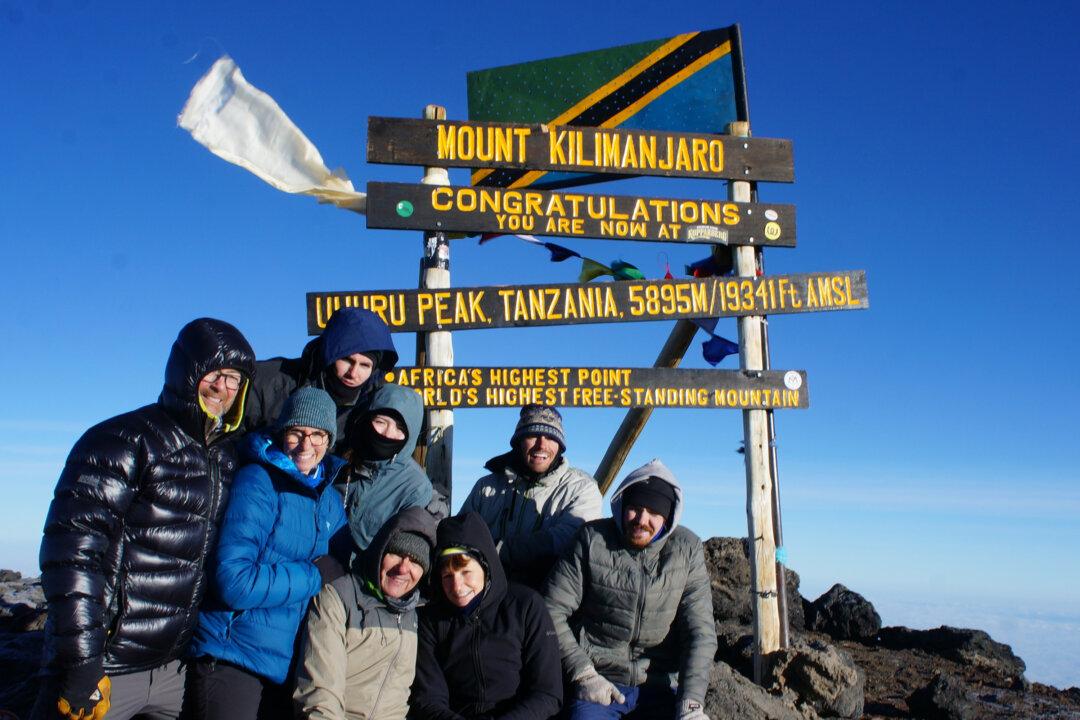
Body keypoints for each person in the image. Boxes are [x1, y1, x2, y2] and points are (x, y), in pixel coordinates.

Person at [33, 318, 255, 720]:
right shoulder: (122, 440)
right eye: (214, 374)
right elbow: (71, 554)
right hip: (108, 664)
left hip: (174, 668)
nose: (223, 387)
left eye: (234, 379)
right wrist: (82, 663)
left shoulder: (225, 458)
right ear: (186, 372)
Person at [184, 387, 349, 720]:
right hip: (234, 656)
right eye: (296, 433)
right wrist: (313, 575)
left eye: (317, 435)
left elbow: (341, 570)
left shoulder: (330, 500)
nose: (306, 445)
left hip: (290, 665)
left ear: (329, 439)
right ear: (282, 433)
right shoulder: (259, 480)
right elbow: (234, 581)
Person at [543, 459, 717, 720]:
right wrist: (583, 673)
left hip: (660, 684)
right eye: (634, 508)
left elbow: (700, 632)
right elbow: (551, 609)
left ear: (668, 516)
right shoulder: (592, 539)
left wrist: (691, 702)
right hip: (600, 681)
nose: (642, 519)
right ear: (622, 505)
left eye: (654, 512)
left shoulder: (687, 549)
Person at [410, 512, 562, 720]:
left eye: (466, 572)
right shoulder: (431, 621)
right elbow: (429, 698)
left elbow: (547, 693)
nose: (457, 586)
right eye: (447, 576)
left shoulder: (526, 606)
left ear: (486, 566)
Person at [293, 506, 437, 720]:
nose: (403, 568)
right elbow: (320, 694)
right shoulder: (340, 597)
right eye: (396, 553)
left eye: (415, 561)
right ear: (380, 550)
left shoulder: (418, 613)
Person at [459, 404, 601, 588]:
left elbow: (570, 538)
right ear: (519, 441)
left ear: (560, 445)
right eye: (533, 435)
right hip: (485, 591)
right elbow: (461, 534)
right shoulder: (486, 487)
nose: (542, 445)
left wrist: (502, 549)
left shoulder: (582, 488)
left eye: (551, 437)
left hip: (549, 595)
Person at [246, 307, 398, 455]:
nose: (353, 373)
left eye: (365, 365)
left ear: (374, 370)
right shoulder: (270, 380)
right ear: (329, 354)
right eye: (347, 360)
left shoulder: (370, 408)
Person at [336, 382, 445, 552]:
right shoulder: (340, 461)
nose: (388, 433)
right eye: (381, 422)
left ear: (411, 435)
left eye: (400, 428)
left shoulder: (415, 487)